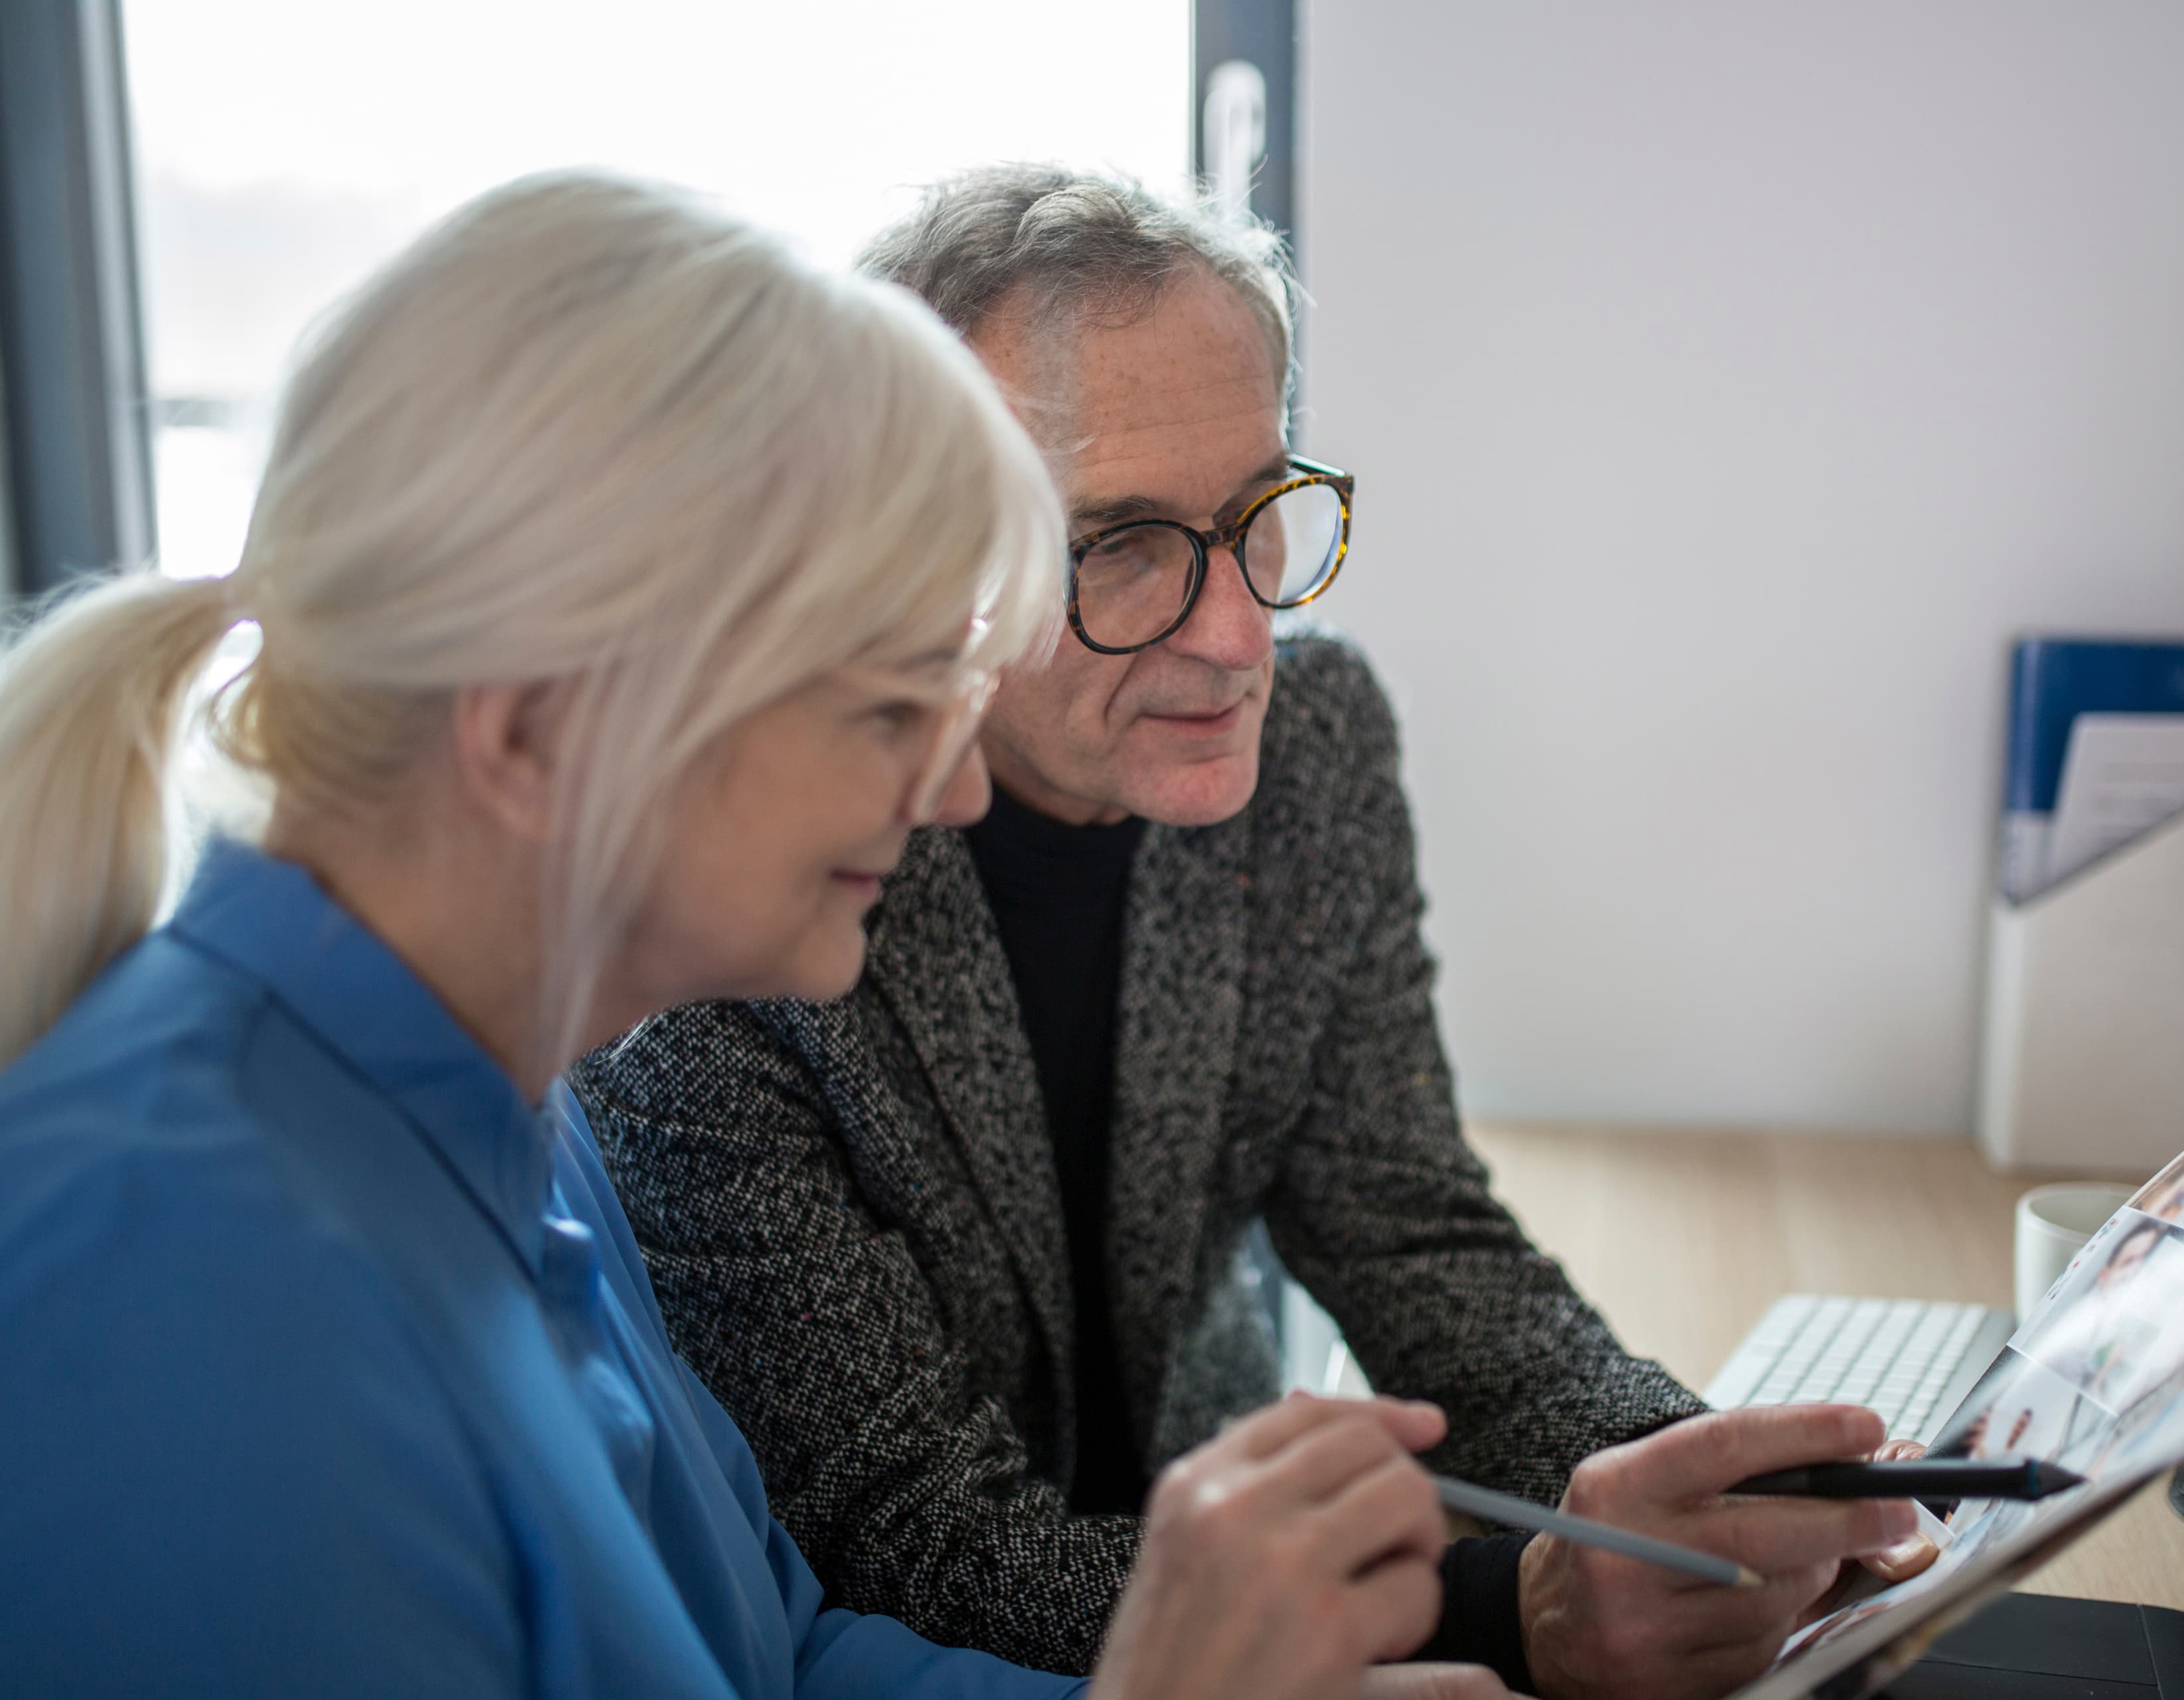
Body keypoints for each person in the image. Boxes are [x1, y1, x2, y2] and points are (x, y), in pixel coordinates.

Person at [0, 173, 1506, 1700]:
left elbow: (778, 1654)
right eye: (882, 703)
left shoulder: (505, 1106)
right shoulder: (168, 1310)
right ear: (534, 737)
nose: (958, 781)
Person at [574, 165, 1927, 1700]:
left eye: (1260, 513)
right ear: (916, 558)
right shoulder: (736, 898)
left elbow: (1418, 1240)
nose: (1236, 635)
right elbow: (914, 1543)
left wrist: (1701, 1492)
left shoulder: (1321, 742)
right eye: (1124, 544)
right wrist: (1517, 1604)